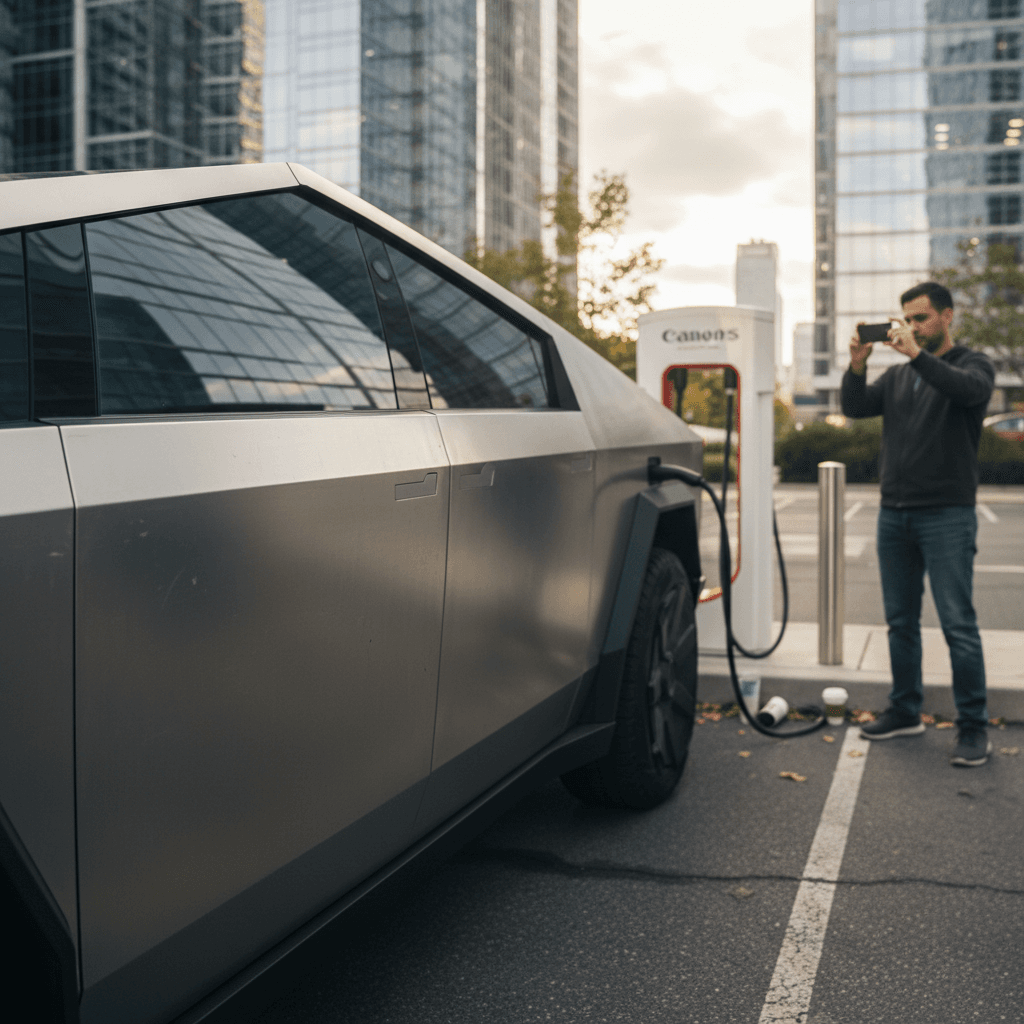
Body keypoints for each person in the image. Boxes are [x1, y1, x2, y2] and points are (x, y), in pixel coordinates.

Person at [841, 281, 995, 767]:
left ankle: (973, 727)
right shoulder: (898, 377)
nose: (911, 326)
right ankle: (905, 709)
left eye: (921, 318)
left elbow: (968, 391)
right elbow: (855, 407)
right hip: (895, 515)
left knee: (958, 626)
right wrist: (858, 365)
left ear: (947, 317)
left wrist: (916, 358)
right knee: (900, 622)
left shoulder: (972, 364)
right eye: (906, 318)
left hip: (947, 515)